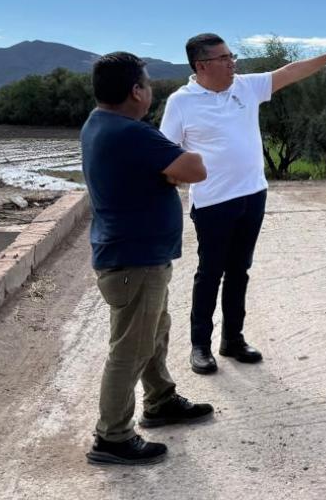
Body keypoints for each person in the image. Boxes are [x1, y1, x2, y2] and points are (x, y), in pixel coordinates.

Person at [160, 33, 326, 375]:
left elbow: (292, 71)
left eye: (232, 56)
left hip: (253, 195)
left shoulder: (247, 87)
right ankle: (200, 346)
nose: (232, 63)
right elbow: (167, 152)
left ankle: (232, 340)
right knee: (210, 273)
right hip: (212, 203)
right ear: (202, 65)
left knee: (239, 271)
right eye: (224, 58)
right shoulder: (181, 102)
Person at [81, 52, 214, 466]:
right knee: (131, 349)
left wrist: (167, 170)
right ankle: (112, 438)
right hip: (134, 260)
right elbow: (195, 168)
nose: (151, 90)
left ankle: (160, 400)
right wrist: (172, 169)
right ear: (137, 91)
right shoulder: (131, 132)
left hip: (135, 256)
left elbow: (173, 170)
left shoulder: (99, 123)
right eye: (148, 84)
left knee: (153, 333)